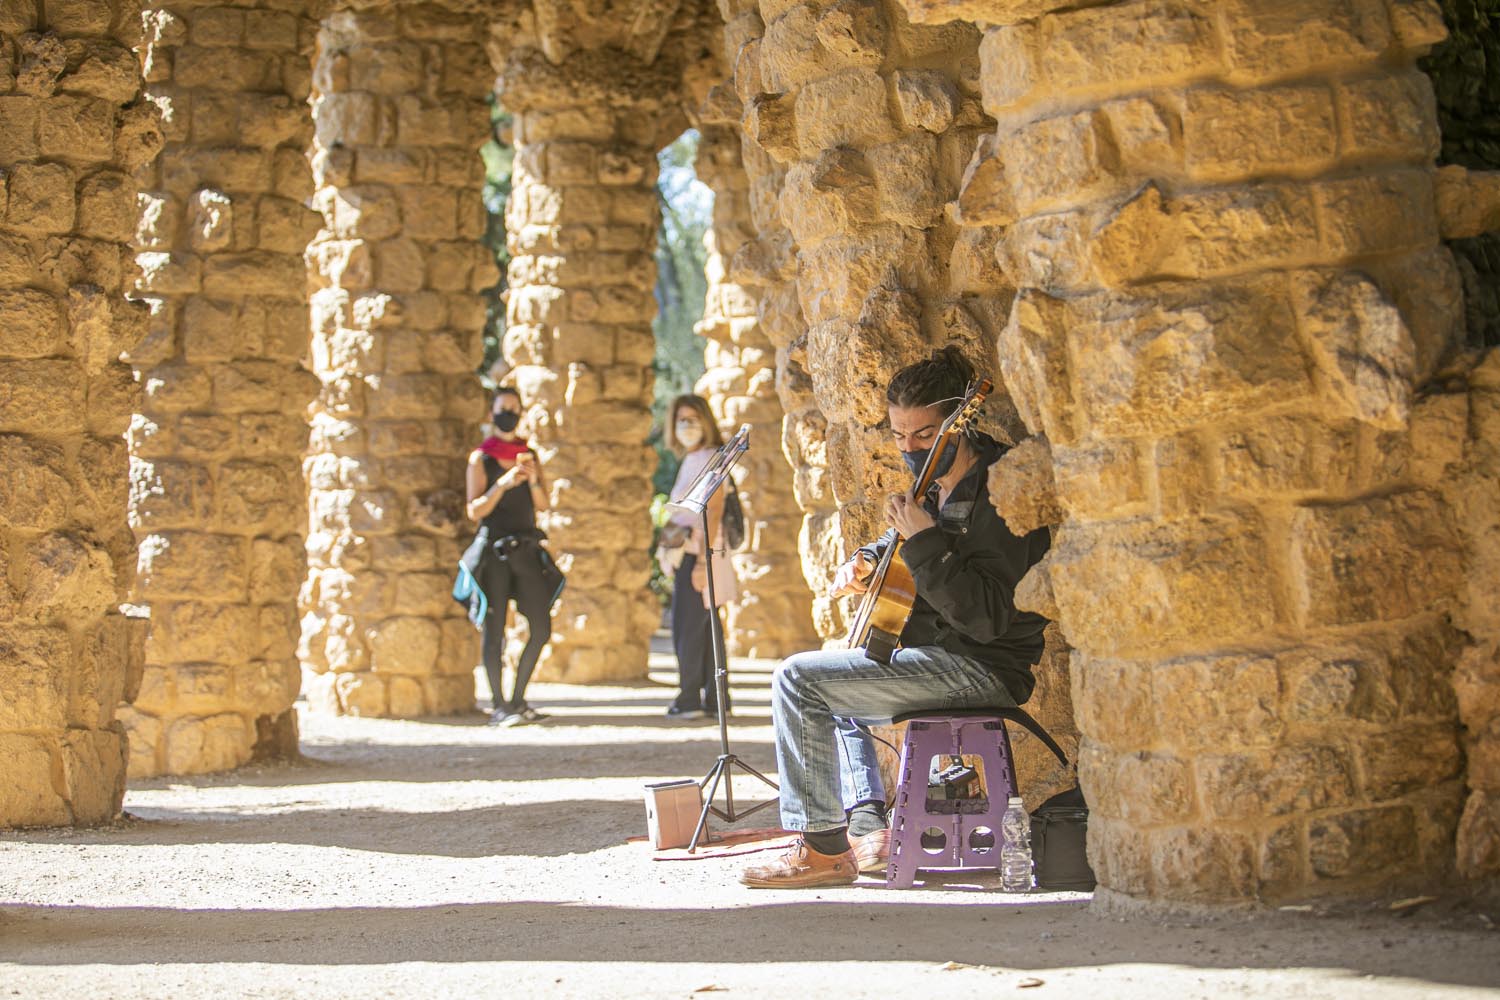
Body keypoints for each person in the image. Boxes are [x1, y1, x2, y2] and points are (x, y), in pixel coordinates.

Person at [739, 347, 1051, 888]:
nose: (910, 449)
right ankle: (863, 821)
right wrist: (868, 561)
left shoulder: (1002, 493)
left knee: (797, 680)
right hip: (936, 654)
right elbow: (905, 548)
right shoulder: (933, 486)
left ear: (960, 422)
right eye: (900, 435)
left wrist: (924, 539)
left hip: (979, 665)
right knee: (832, 671)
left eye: (924, 435)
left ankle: (821, 850)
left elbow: (987, 619)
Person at [456, 387, 564, 727]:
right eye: (504, 408)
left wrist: (531, 481)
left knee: (541, 626)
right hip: (494, 550)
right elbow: (475, 510)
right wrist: (501, 484)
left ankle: (518, 699)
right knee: (494, 628)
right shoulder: (481, 458)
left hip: (526, 549)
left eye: (515, 408)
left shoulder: (528, 454)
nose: (510, 414)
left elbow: (544, 504)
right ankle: (499, 706)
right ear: (491, 414)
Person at [659, 394, 740, 719]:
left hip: (699, 553)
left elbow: (714, 507)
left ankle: (690, 697)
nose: (686, 426)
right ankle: (715, 699)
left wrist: (703, 559)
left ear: (705, 421)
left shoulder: (710, 458)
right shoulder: (695, 457)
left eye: (693, 418)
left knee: (688, 626)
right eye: (681, 419)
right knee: (706, 626)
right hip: (693, 552)